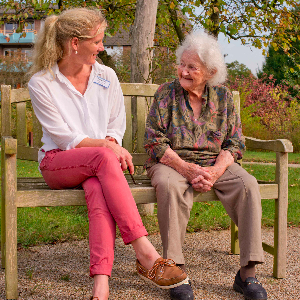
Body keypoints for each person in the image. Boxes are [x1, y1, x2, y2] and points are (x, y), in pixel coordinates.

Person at [27, 8, 188, 300]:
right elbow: (65, 139)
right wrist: (109, 147)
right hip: (58, 163)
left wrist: (111, 142)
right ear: (75, 43)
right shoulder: (42, 83)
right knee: (102, 158)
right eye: (98, 41)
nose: (103, 47)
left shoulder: (106, 76)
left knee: (97, 188)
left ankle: (101, 284)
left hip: (99, 168)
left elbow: (116, 123)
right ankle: (145, 252)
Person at [144, 31, 268, 300]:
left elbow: (235, 142)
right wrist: (187, 168)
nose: (183, 71)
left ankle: (247, 274)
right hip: (171, 162)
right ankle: (176, 273)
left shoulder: (223, 97)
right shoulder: (166, 94)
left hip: (214, 162)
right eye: (182, 64)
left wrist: (214, 171)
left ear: (210, 72)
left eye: (192, 67)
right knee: (168, 185)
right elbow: (154, 141)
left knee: (247, 185)